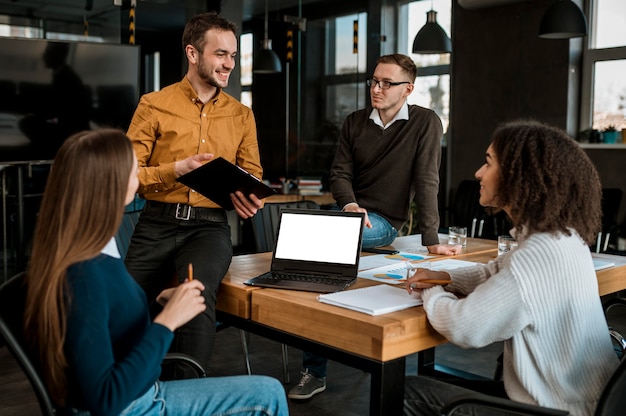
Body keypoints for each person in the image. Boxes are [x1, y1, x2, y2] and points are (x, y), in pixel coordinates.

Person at [22, 129, 288, 416]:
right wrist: (166, 322)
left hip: (139, 392)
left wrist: (157, 306)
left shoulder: (89, 251)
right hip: (138, 404)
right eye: (135, 170)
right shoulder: (85, 276)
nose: (140, 176)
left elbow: (108, 330)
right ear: (110, 185)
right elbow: (107, 400)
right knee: (269, 394)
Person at [403, 120, 618, 416]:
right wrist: (444, 275)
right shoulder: (560, 236)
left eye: (488, 163)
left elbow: (465, 327)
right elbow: (494, 274)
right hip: (584, 401)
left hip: (557, 409)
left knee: (408, 393)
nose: (478, 172)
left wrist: (433, 290)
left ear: (520, 177)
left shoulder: (537, 255)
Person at [288, 53, 461, 400]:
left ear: (408, 88)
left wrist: (431, 239)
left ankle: (314, 370)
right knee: (321, 266)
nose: (376, 88)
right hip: (348, 214)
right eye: (374, 81)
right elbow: (339, 174)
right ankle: (316, 366)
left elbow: (427, 180)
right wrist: (350, 205)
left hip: (383, 222)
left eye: (386, 83)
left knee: (321, 247)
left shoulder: (425, 123)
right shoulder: (354, 122)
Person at [124, 12, 263, 378]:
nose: (229, 64)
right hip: (155, 222)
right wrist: (176, 169)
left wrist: (250, 198)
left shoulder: (242, 116)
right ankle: (128, 393)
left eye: (233, 55)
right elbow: (127, 176)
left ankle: (187, 396)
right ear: (192, 53)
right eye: (220, 54)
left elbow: (253, 174)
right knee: (123, 307)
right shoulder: (153, 105)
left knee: (196, 298)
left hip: (209, 229)